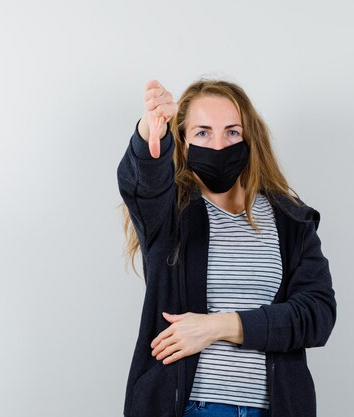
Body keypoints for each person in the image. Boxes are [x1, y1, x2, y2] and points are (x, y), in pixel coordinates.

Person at [117, 78, 337, 417]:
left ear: (251, 138)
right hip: (192, 408)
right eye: (202, 133)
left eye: (232, 132)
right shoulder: (167, 215)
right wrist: (151, 130)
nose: (219, 145)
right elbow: (143, 184)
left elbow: (317, 315)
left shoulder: (292, 220)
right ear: (183, 141)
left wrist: (217, 326)